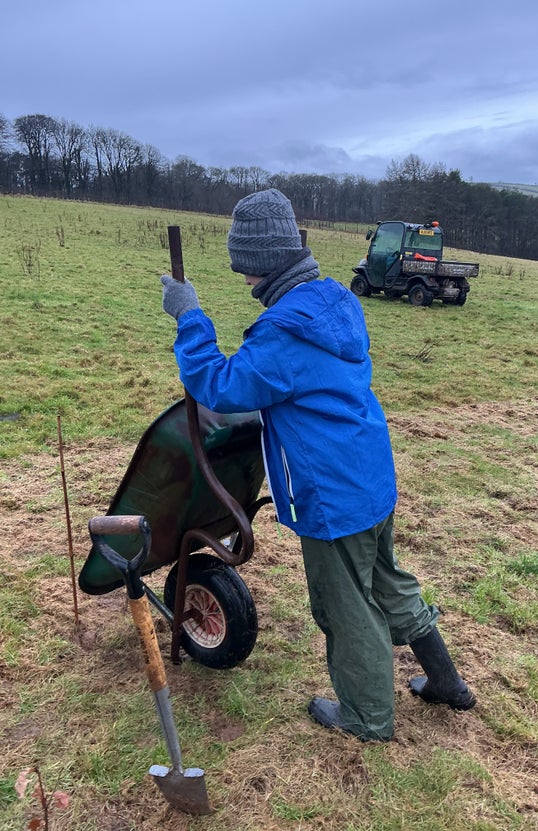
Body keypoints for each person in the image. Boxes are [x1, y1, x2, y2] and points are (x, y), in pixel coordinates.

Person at [160, 188, 476, 742]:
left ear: (261, 264)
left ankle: (366, 719)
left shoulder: (286, 333)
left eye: (247, 273)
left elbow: (219, 385)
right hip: (370, 475)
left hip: (332, 492)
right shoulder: (334, 301)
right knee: (388, 581)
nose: (247, 285)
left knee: (346, 607)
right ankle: (446, 682)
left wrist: (190, 317)